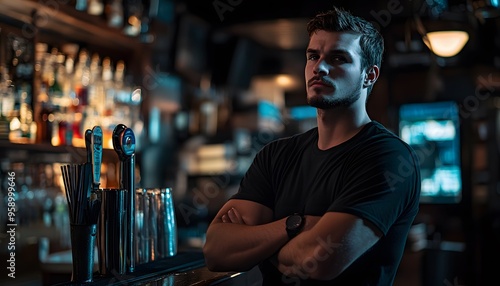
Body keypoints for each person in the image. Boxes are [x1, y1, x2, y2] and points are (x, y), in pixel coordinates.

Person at [203, 6, 421, 285]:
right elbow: (217, 250)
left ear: (369, 75)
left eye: (339, 58)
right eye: (313, 56)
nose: (319, 67)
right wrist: (297, 224)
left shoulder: (387, 157)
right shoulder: (275, 155)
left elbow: (317, 260)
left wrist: (260, 245)